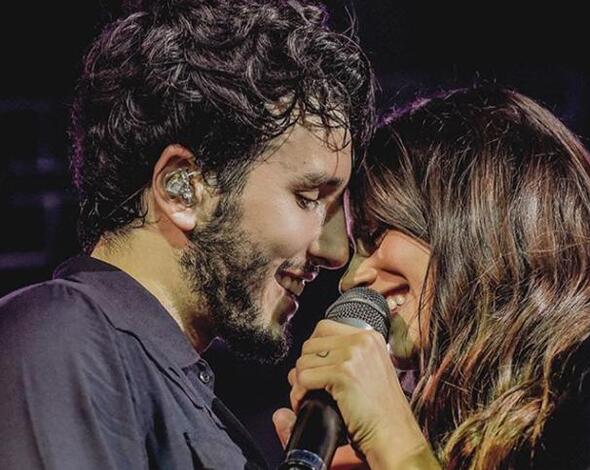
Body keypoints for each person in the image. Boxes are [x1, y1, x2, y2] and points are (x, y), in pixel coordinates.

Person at [0, 0, 375, 468]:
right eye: (309, 196)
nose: (336, 251)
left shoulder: (201, 407)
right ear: (183, 188)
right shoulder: (61, 335)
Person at [274, 86, 590, 469]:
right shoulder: (454, 424)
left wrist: (394, 443)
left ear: (478, 224)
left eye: (373, 237)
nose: (352, 278)